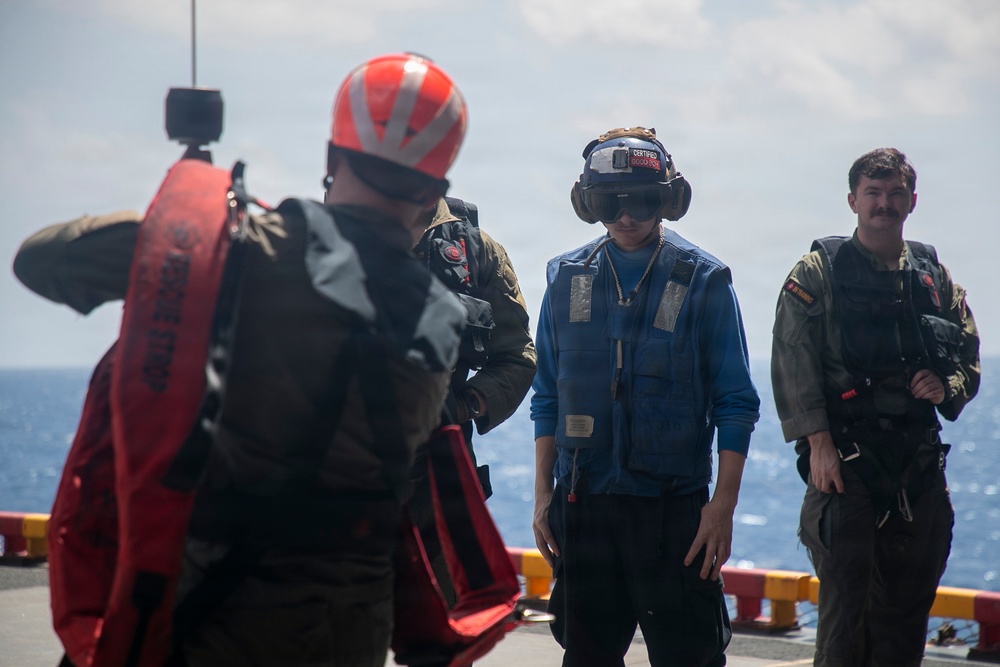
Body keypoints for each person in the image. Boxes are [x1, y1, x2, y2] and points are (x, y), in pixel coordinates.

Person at [15, 52, 471, 667]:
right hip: (350, 631)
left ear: (332, 158)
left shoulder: (241, 256)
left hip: (211, 618)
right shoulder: (441, 323)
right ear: (434, 191)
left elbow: (40, 260)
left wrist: (189, 222)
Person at [530, 126, 761, 667]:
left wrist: (721, 507)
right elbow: (546, 395)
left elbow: (735, 401)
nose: (627, 215)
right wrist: (544, 495)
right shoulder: (567, 279)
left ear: (668, 200)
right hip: (582, 505)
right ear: (589, 204)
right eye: (610, 203)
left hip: (672, 513)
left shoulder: (703, 281)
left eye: (641, 200)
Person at [770, 147, 981, 666]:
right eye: (873, 193)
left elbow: (966, 354)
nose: (884, 204)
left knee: (905, 621)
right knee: (845, 619)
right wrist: (817, 443)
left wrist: (946, 383)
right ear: (852, 200)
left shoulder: (933, 276)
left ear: (911, 200)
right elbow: (792, 358)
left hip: (917, 463)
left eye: (894, 194)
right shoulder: (818, 270)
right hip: (847, 464)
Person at [407, 195, 536, 608]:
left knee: (448, 640)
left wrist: (462, 407)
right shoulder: (323, 243)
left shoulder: (475, 252)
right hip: (336, 486)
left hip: (435, 490)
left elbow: (517, 358)